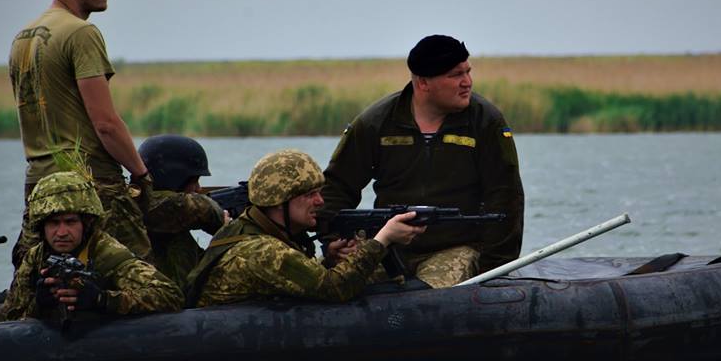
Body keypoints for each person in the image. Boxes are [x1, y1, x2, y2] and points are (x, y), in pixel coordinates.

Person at [321, 34, 525, 288]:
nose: (467, 82)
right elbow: (336, 187)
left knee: (430, 298)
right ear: (423, 82)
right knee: (337, 285)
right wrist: (332, 242)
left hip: (455, 247)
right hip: (385, 242)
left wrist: (496, 270)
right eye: (455, 75)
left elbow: (506, 197)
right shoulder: (376, 122)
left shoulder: (485, 121)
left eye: (468, 72)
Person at [8, 0, 153, 268]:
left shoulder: (23, 37)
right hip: (89, 181)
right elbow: (105, 122)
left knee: (40, 275)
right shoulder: (81, 32)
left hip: (40, 185)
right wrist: (141, 174)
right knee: (138, 273)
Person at [186, 149, 424, 307]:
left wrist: (328, 261)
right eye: (310, 195)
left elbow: (300, 280)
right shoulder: (261, 250)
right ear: (280, 201)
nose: (320, 202)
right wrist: (382, 239)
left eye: (319, 193)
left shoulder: (250, 230)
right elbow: (335, 289)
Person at [3, 172, 184, 321]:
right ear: (41, 227)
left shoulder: (108, 254)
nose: (62, 232)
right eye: (53, 223)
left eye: (70, 222)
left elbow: (170, 295)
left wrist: (102, 299)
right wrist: (39, 304)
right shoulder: (36, 257)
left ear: (86, 223)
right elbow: (11, 318)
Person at [138, 134, 227, 287]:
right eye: (194, 181)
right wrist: (227, 225)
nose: (198, 189)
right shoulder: (152, 207)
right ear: (174, 179)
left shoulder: (171, 225)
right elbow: (197, 208)